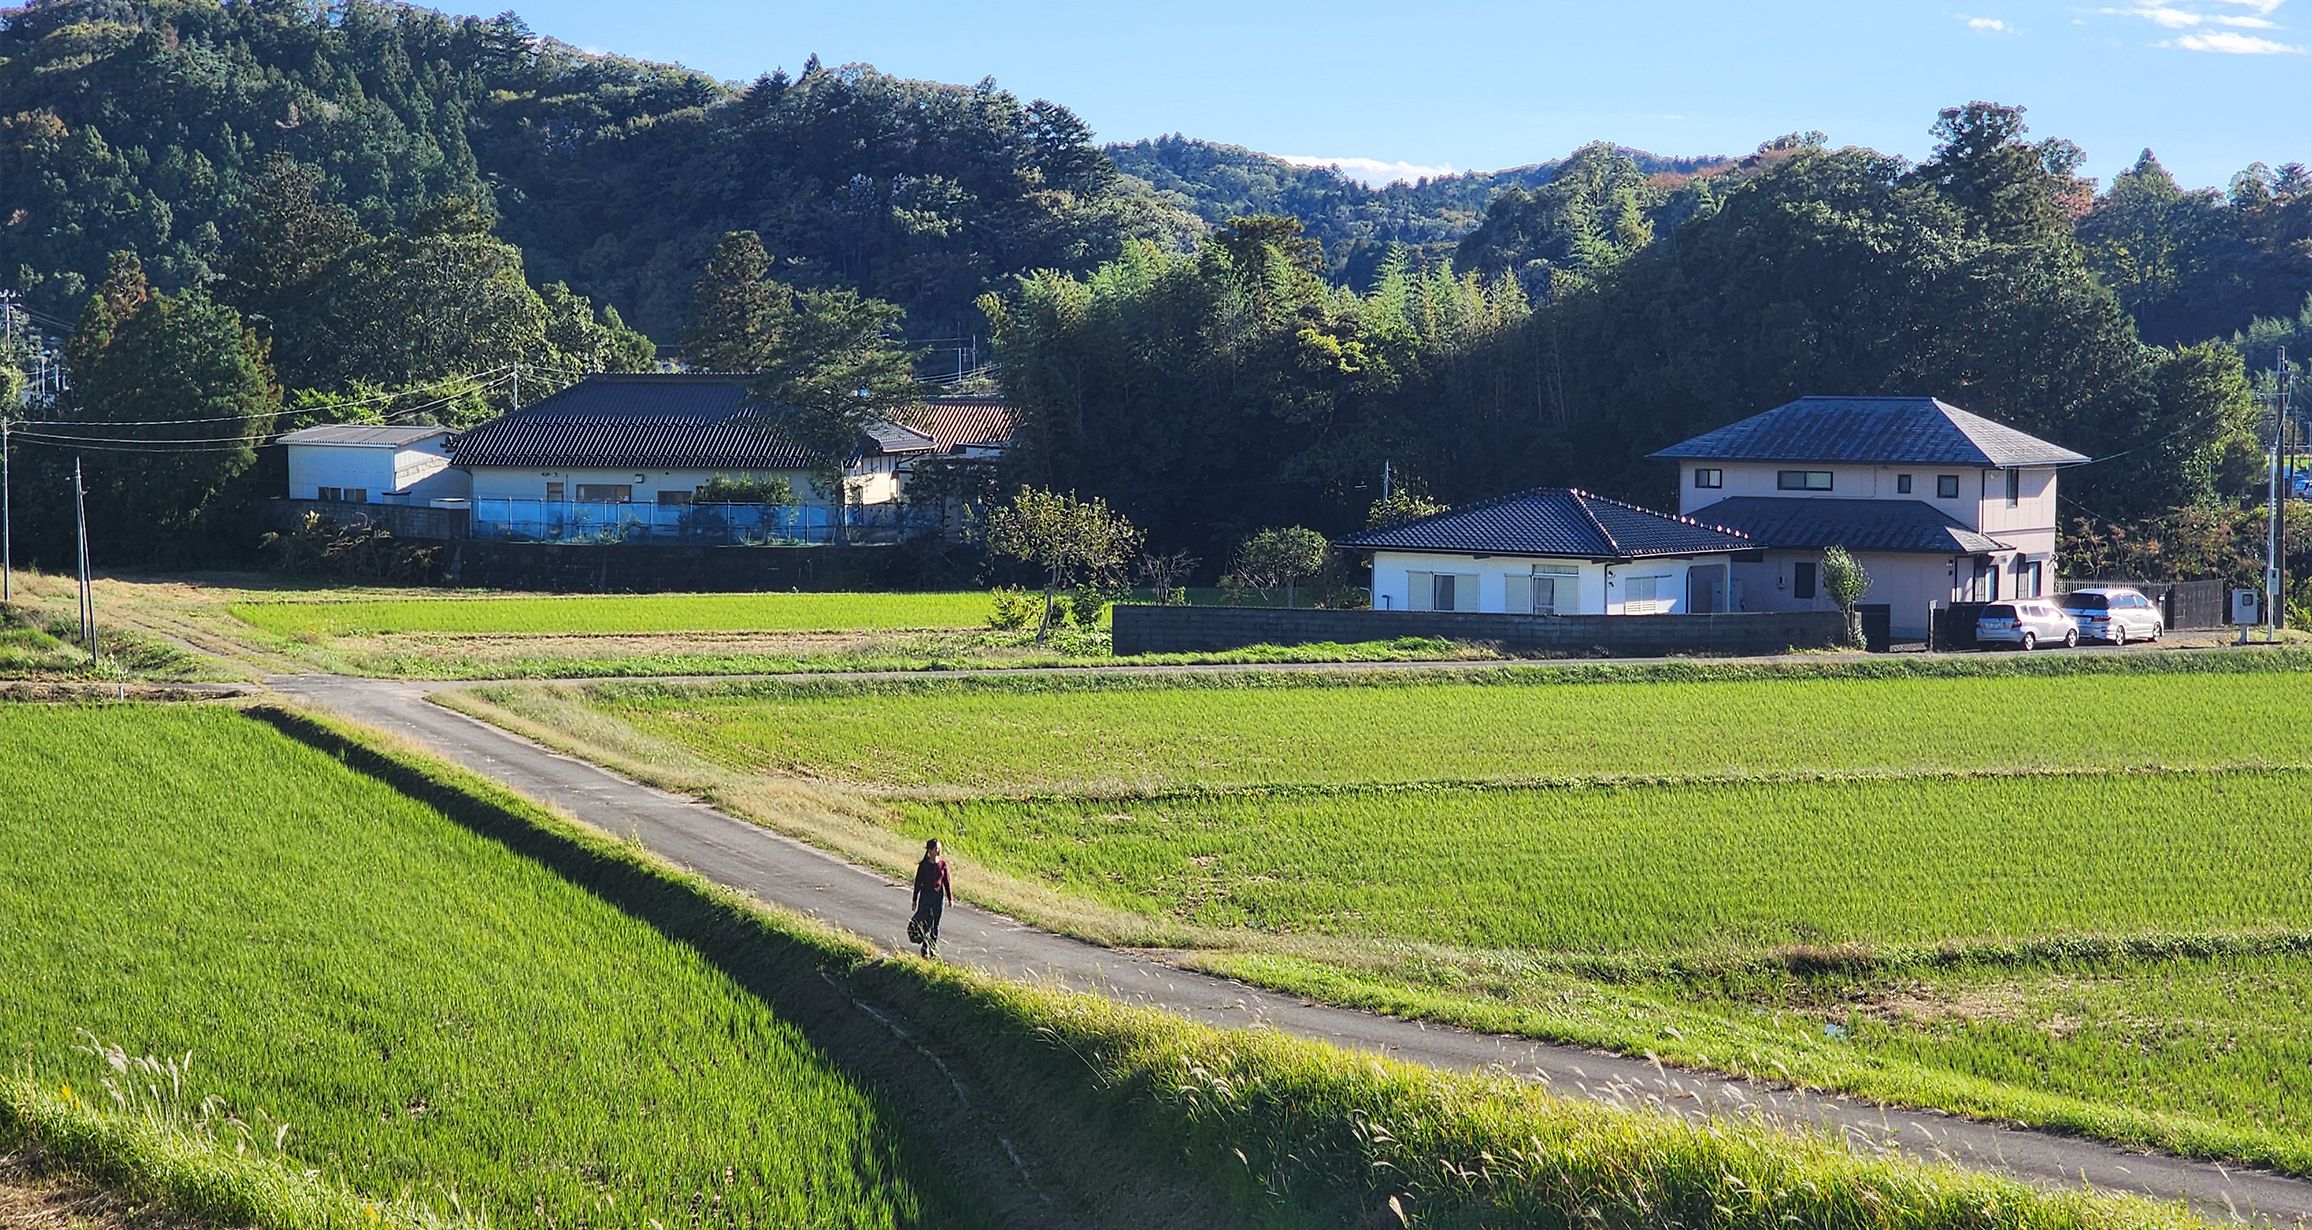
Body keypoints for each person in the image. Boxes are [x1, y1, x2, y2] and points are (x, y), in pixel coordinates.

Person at [909, 839, 952, 957]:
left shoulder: (942, 865)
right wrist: (914, 899)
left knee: (935, 924)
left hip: (938, 897)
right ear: (929, 851)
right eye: (935, 849)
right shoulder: (924, 865)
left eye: (939, 848)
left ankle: (932, 949)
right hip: (926, 897)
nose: (938, 851)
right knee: (927, 922)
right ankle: (924, 945)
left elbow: (946, 882)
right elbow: (918, 882)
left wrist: (950, 898)